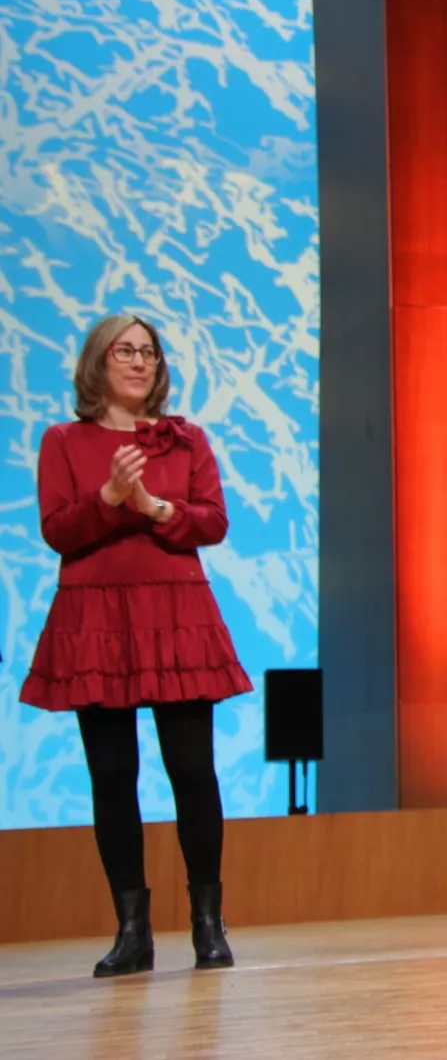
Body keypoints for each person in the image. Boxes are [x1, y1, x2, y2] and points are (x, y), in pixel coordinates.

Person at [22, 314, 253, 978]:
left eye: (148, 351)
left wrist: (152, 506)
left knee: (193, 771)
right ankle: (133, 931)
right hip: (97, 619)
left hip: (176, 611)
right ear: (98, 362)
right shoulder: (63, 440)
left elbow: (211, 520)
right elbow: (60, 530)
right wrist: (109, 497)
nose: (138, 361)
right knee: (112, 777)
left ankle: (208, 925)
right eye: (125, 350)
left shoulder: (185, 439)